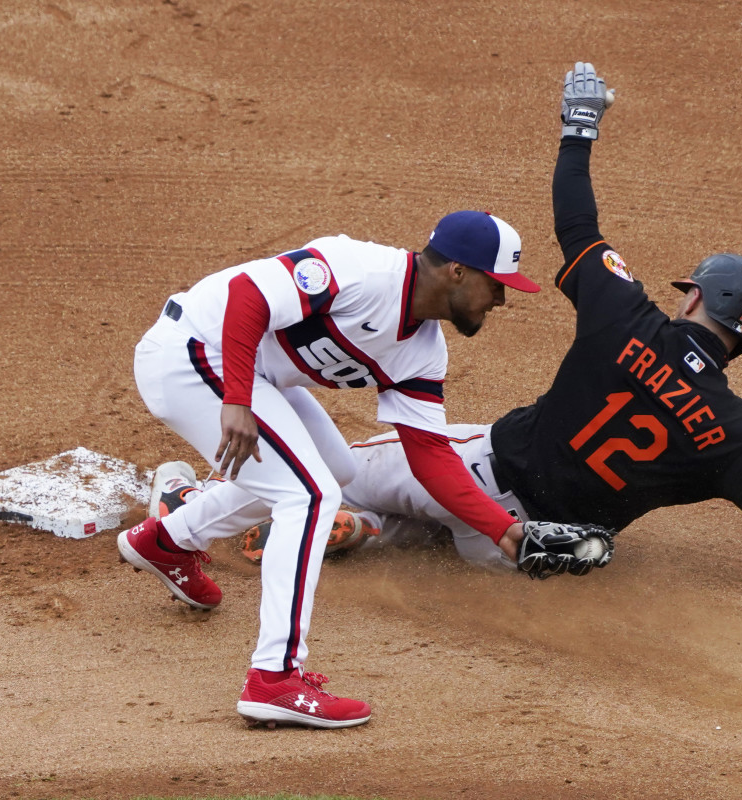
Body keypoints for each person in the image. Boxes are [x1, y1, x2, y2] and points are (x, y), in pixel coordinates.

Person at [328, 63, 742, 578]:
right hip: (541, 550)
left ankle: (350, 517)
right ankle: (369, 533)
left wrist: (579, 129)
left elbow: (575, 225)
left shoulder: (624, 316)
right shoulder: (739, 433)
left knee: (350, 474)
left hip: (482, 472)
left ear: (695, 298)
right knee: (455, 535)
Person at [117, 210, 609, 730]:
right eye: (497, 284)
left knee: (336, 468)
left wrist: (504, 532)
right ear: (458, 272)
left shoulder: (422, 350)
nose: (502, 300)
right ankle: (274, 679)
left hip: (255, 375)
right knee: (307, 498)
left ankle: (168, 540)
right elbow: (248, 294)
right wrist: (237, 398)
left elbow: (430, 455)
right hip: (193, 352)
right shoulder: (359, 269)